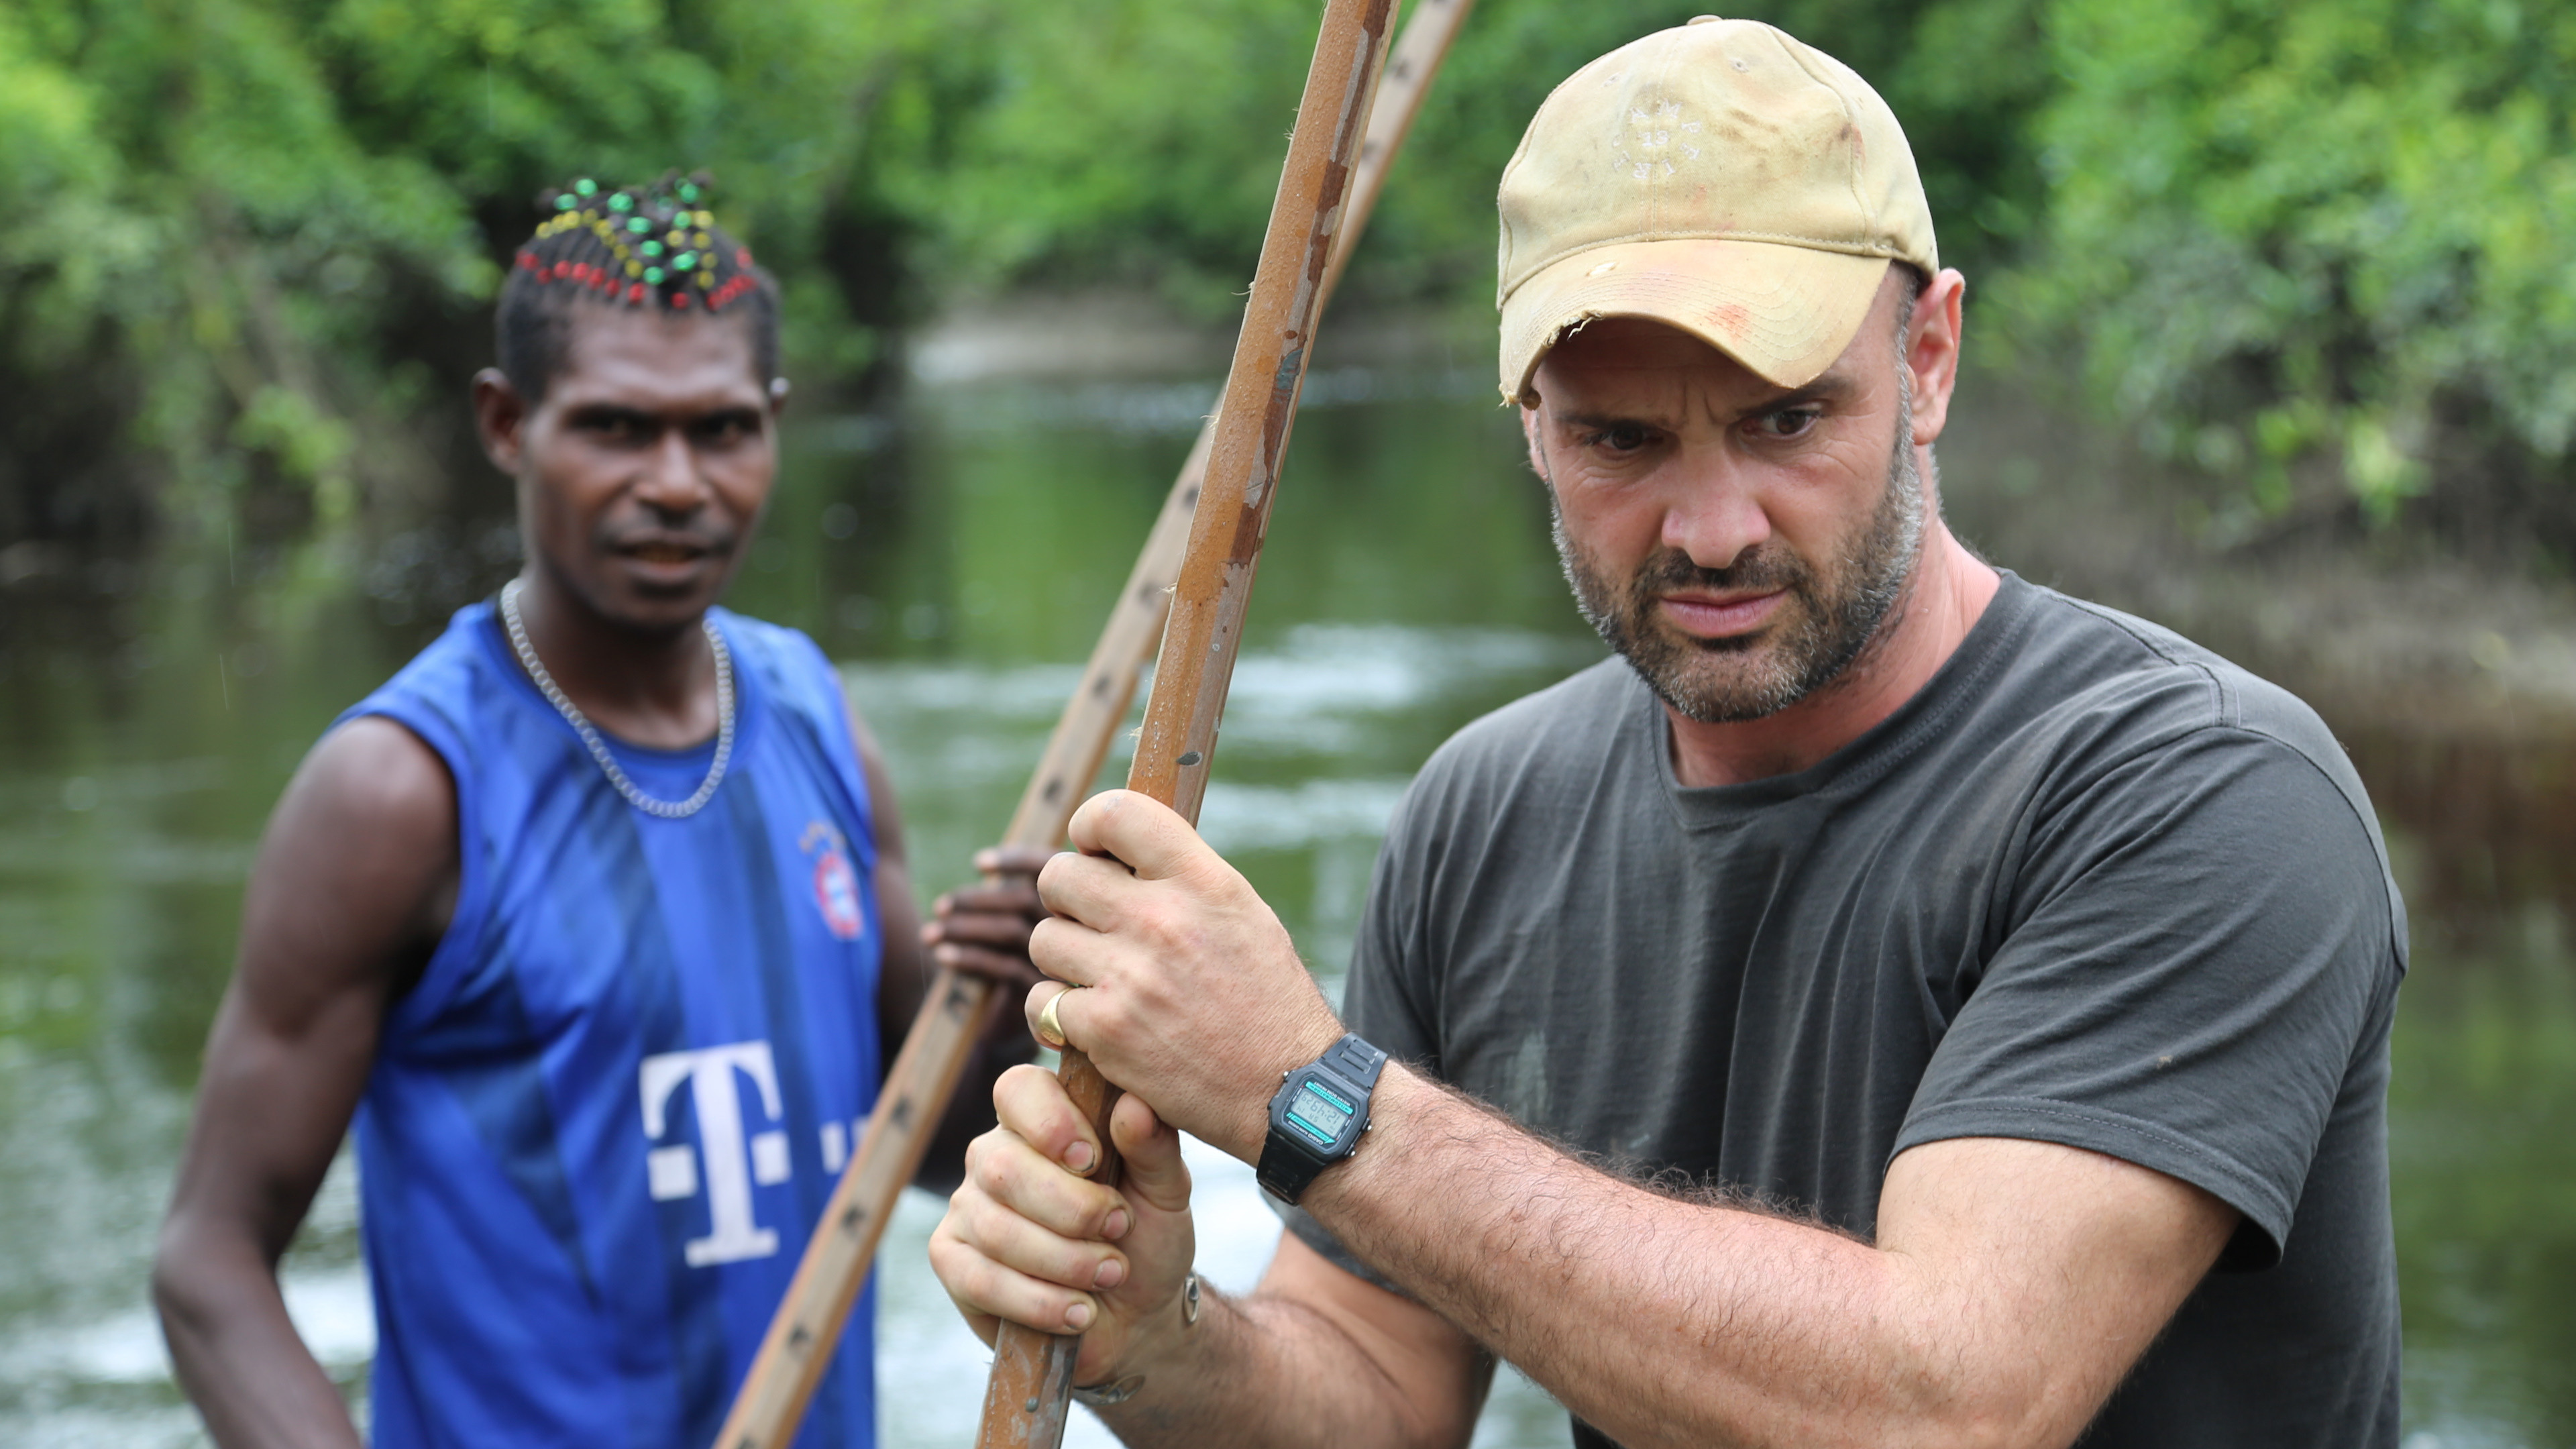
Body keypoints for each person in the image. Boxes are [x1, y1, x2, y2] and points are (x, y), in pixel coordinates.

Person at [928, 19, 2404, 1449]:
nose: (1710, 528)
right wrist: (1154, 1342)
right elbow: (1379, 1391)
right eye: (1619, 439)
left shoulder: (2204, 792)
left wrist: (1307, 1093)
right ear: (1531, 423)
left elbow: (1943, 1406)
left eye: (1786, 420)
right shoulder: (1485, 814)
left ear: (1931, 359)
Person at [153, 175, 1044, 1449]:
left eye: (722, 430)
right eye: (618, 428)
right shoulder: (404, 791)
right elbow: (209, 1264)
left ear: (775, 423)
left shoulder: (814, 718)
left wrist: (1006, 1010)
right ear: (508, 424)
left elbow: (933, 1146)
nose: (677, 484)